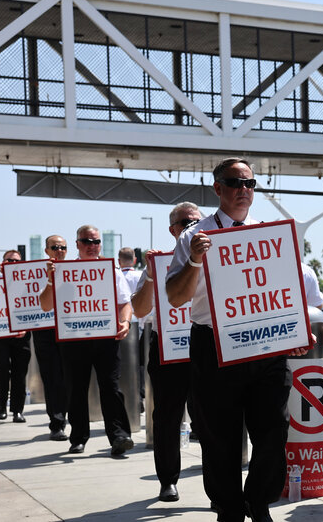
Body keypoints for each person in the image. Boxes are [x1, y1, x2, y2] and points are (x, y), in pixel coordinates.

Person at [165, 158, 309, 522]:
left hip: (265, 347)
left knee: (275, 430)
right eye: (234, 183)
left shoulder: (269, 232)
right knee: (219, 438)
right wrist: (195, 260)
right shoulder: (193, 236)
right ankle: (229, 509)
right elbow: (176, 297)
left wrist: (295, 330)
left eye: (250, 183)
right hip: (213, 345)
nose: (243, 190)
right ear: (217, 188)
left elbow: (283, 290)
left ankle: (257, 501)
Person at [40, 225, 135, 456]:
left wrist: (125, 322)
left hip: (106, 337)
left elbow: (125, 303)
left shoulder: (110, 270)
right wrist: (51, 281)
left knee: (111, 388)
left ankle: (119, 436)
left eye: (96, 242)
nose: (92, 246)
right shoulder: (62, 271)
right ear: (77, 245)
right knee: (76, 389)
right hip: (73, 338)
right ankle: (78, 438)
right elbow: (45, 305)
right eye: (86, 241)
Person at [131, 202, 203, 503]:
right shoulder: (159, 264)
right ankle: (168, 480)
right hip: (168, 350)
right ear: (173, 229)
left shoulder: (216, 256)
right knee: (167, 419)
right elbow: (139, 309)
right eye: (186, 222)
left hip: (206, 347)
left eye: (197, 221)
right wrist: (149, 276)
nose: (192, 227)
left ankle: (219, 486)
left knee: (213, 419)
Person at [31, 235, 70, 440]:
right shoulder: (36, 272)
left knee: (70, 376)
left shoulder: (76, 270)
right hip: (45, 329)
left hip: (71, 329)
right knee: (52, 377)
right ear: (47, 250)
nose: (59, 250)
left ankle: (72, 414)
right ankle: (57, 423)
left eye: (63, 247)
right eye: (55, 247)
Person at [0, 249, 32, 423]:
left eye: (17, 261)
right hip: (0, 336)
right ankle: (1, 403)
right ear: (2, 264)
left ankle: (17, 410)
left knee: (19, 374)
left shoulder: (28, 285)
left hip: (21, 336)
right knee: (1, 371)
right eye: (9, 261)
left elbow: (35, 311)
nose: (13, 264)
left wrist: (26, 326)